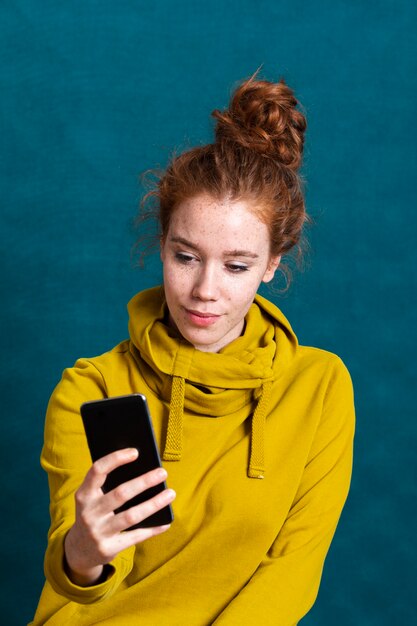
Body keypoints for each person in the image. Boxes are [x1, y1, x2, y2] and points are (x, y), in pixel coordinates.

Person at [31, 74, 355, 625]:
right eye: (185, 257)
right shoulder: (90, 389)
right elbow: (85, 586)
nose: (206, 290)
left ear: (272, 265)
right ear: (161, 246)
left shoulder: (319, 388)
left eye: (236, 266)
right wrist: (84, 550)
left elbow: (291, 574)